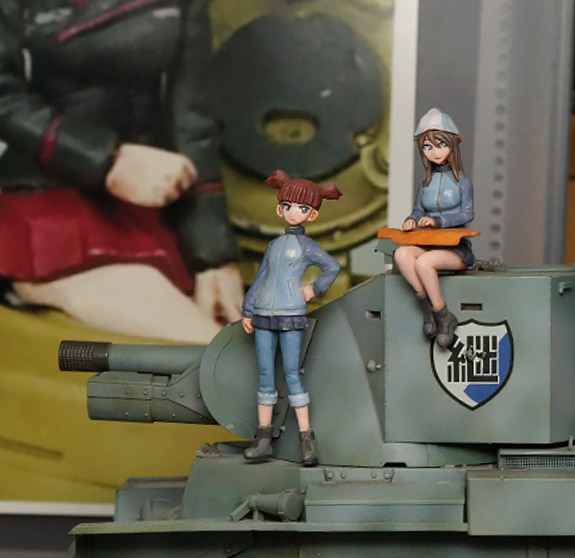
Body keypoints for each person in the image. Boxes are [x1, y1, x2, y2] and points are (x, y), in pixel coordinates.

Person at [0, 0, 242, 343]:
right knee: (213, 352)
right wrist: (106, 160)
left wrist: (213, 256)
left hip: (143, 207)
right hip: (46, 204)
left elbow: (191, 121)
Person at [241, 170, 342, 465]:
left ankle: (306, 440)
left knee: (292, 375)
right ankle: (263, 439)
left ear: (312, 214)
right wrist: (248, 309)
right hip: (263, 314)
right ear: (279, 209)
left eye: (301, 208)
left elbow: (332, 267)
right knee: (265, 375)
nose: (293, 212)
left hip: (290, 315)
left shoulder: (306, 247)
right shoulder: (274, 245)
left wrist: (314, 289)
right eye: (287, 206)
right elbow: (261, 277)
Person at [394, 108, 475, 349]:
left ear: (452, 145)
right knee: (402, 254)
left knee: (424, 263)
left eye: (441, 145)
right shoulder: (425, 185)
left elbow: (467, 214)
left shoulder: (462, 182)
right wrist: (412, 219)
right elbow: (418, 211)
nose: (435, 152)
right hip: (427, 245)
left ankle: (444, 315)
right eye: (427, 147)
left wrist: (438, 221)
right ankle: (428, 310)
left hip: (455, 249)